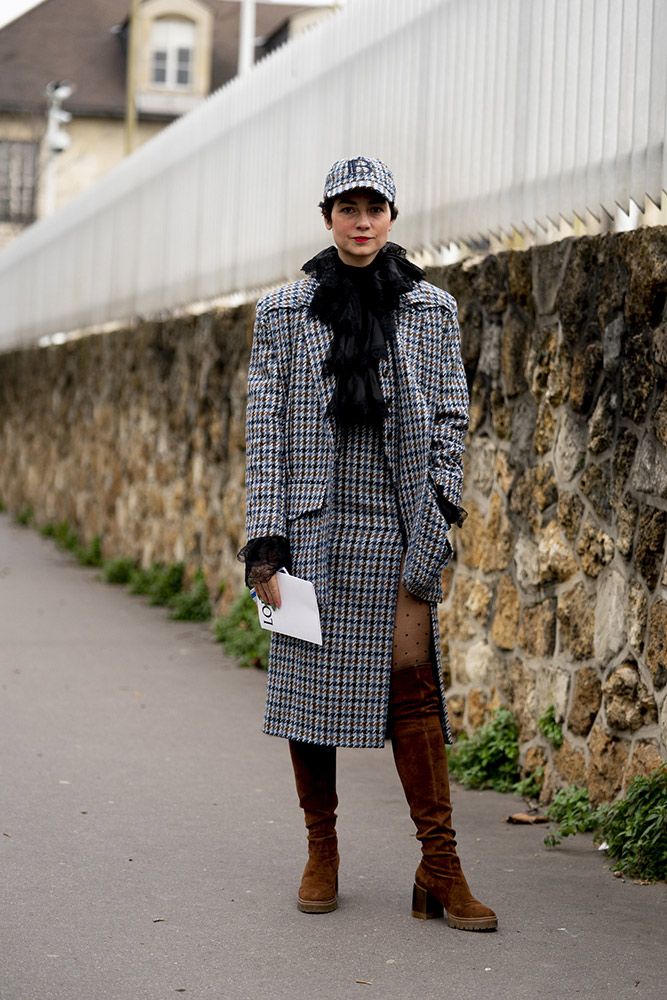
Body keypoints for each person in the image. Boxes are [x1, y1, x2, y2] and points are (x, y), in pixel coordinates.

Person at [239, 156, 497, 931]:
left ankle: (440, 867)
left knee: (413, 691)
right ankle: (322, 851)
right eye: (346, 207)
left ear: (390, 216)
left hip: (397, 520)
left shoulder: (430, 308)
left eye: (373, 207)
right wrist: (264, 545)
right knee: (306, 694)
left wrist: (439, 507)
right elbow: (265, 431)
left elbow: (452, 416)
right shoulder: (283, 310)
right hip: (310, 529)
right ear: (327, 216)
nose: (360, 220)